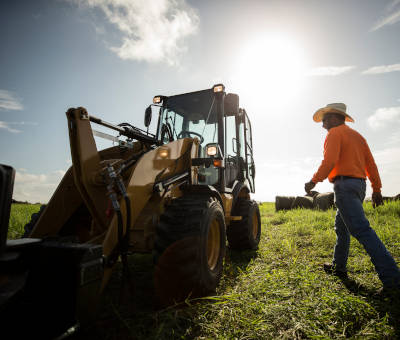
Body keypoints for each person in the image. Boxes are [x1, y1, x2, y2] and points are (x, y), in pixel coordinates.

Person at [304, 103, 400, 294]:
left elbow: (329, 161)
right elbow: (371, 165)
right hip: (359, 186)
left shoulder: (335, 133)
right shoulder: (358, 137)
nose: (323, 122)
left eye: (326, 118)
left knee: (362, 230)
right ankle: (338, 266)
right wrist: (377, 189)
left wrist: (313, 181)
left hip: (345, 186)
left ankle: (393, 280)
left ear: (337, 118)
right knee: (342, 228)